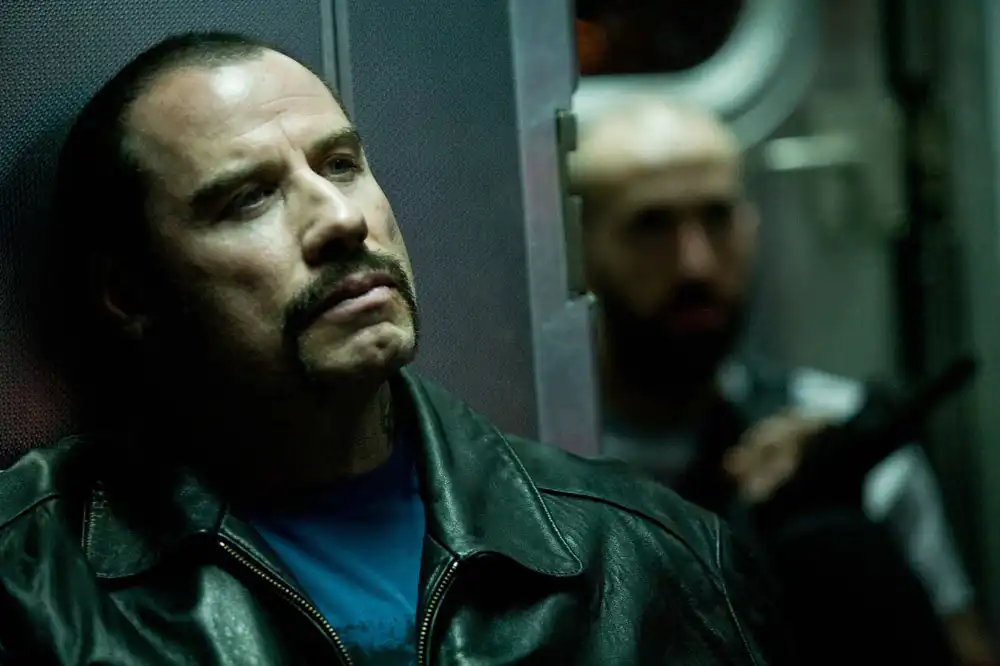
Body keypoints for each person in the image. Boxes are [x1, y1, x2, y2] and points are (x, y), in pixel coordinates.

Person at [0, 32, 793, 666]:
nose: (342, 220)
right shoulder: (32, 582)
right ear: (130, 293)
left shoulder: (642, 555)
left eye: (341, 165)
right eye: (249, 199)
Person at [570, 98, 992, 665]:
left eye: (717, 218)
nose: (695, 264)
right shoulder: (542, 457)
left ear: (750, 229)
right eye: (650, 226)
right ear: (579, 248)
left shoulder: (841, 439)